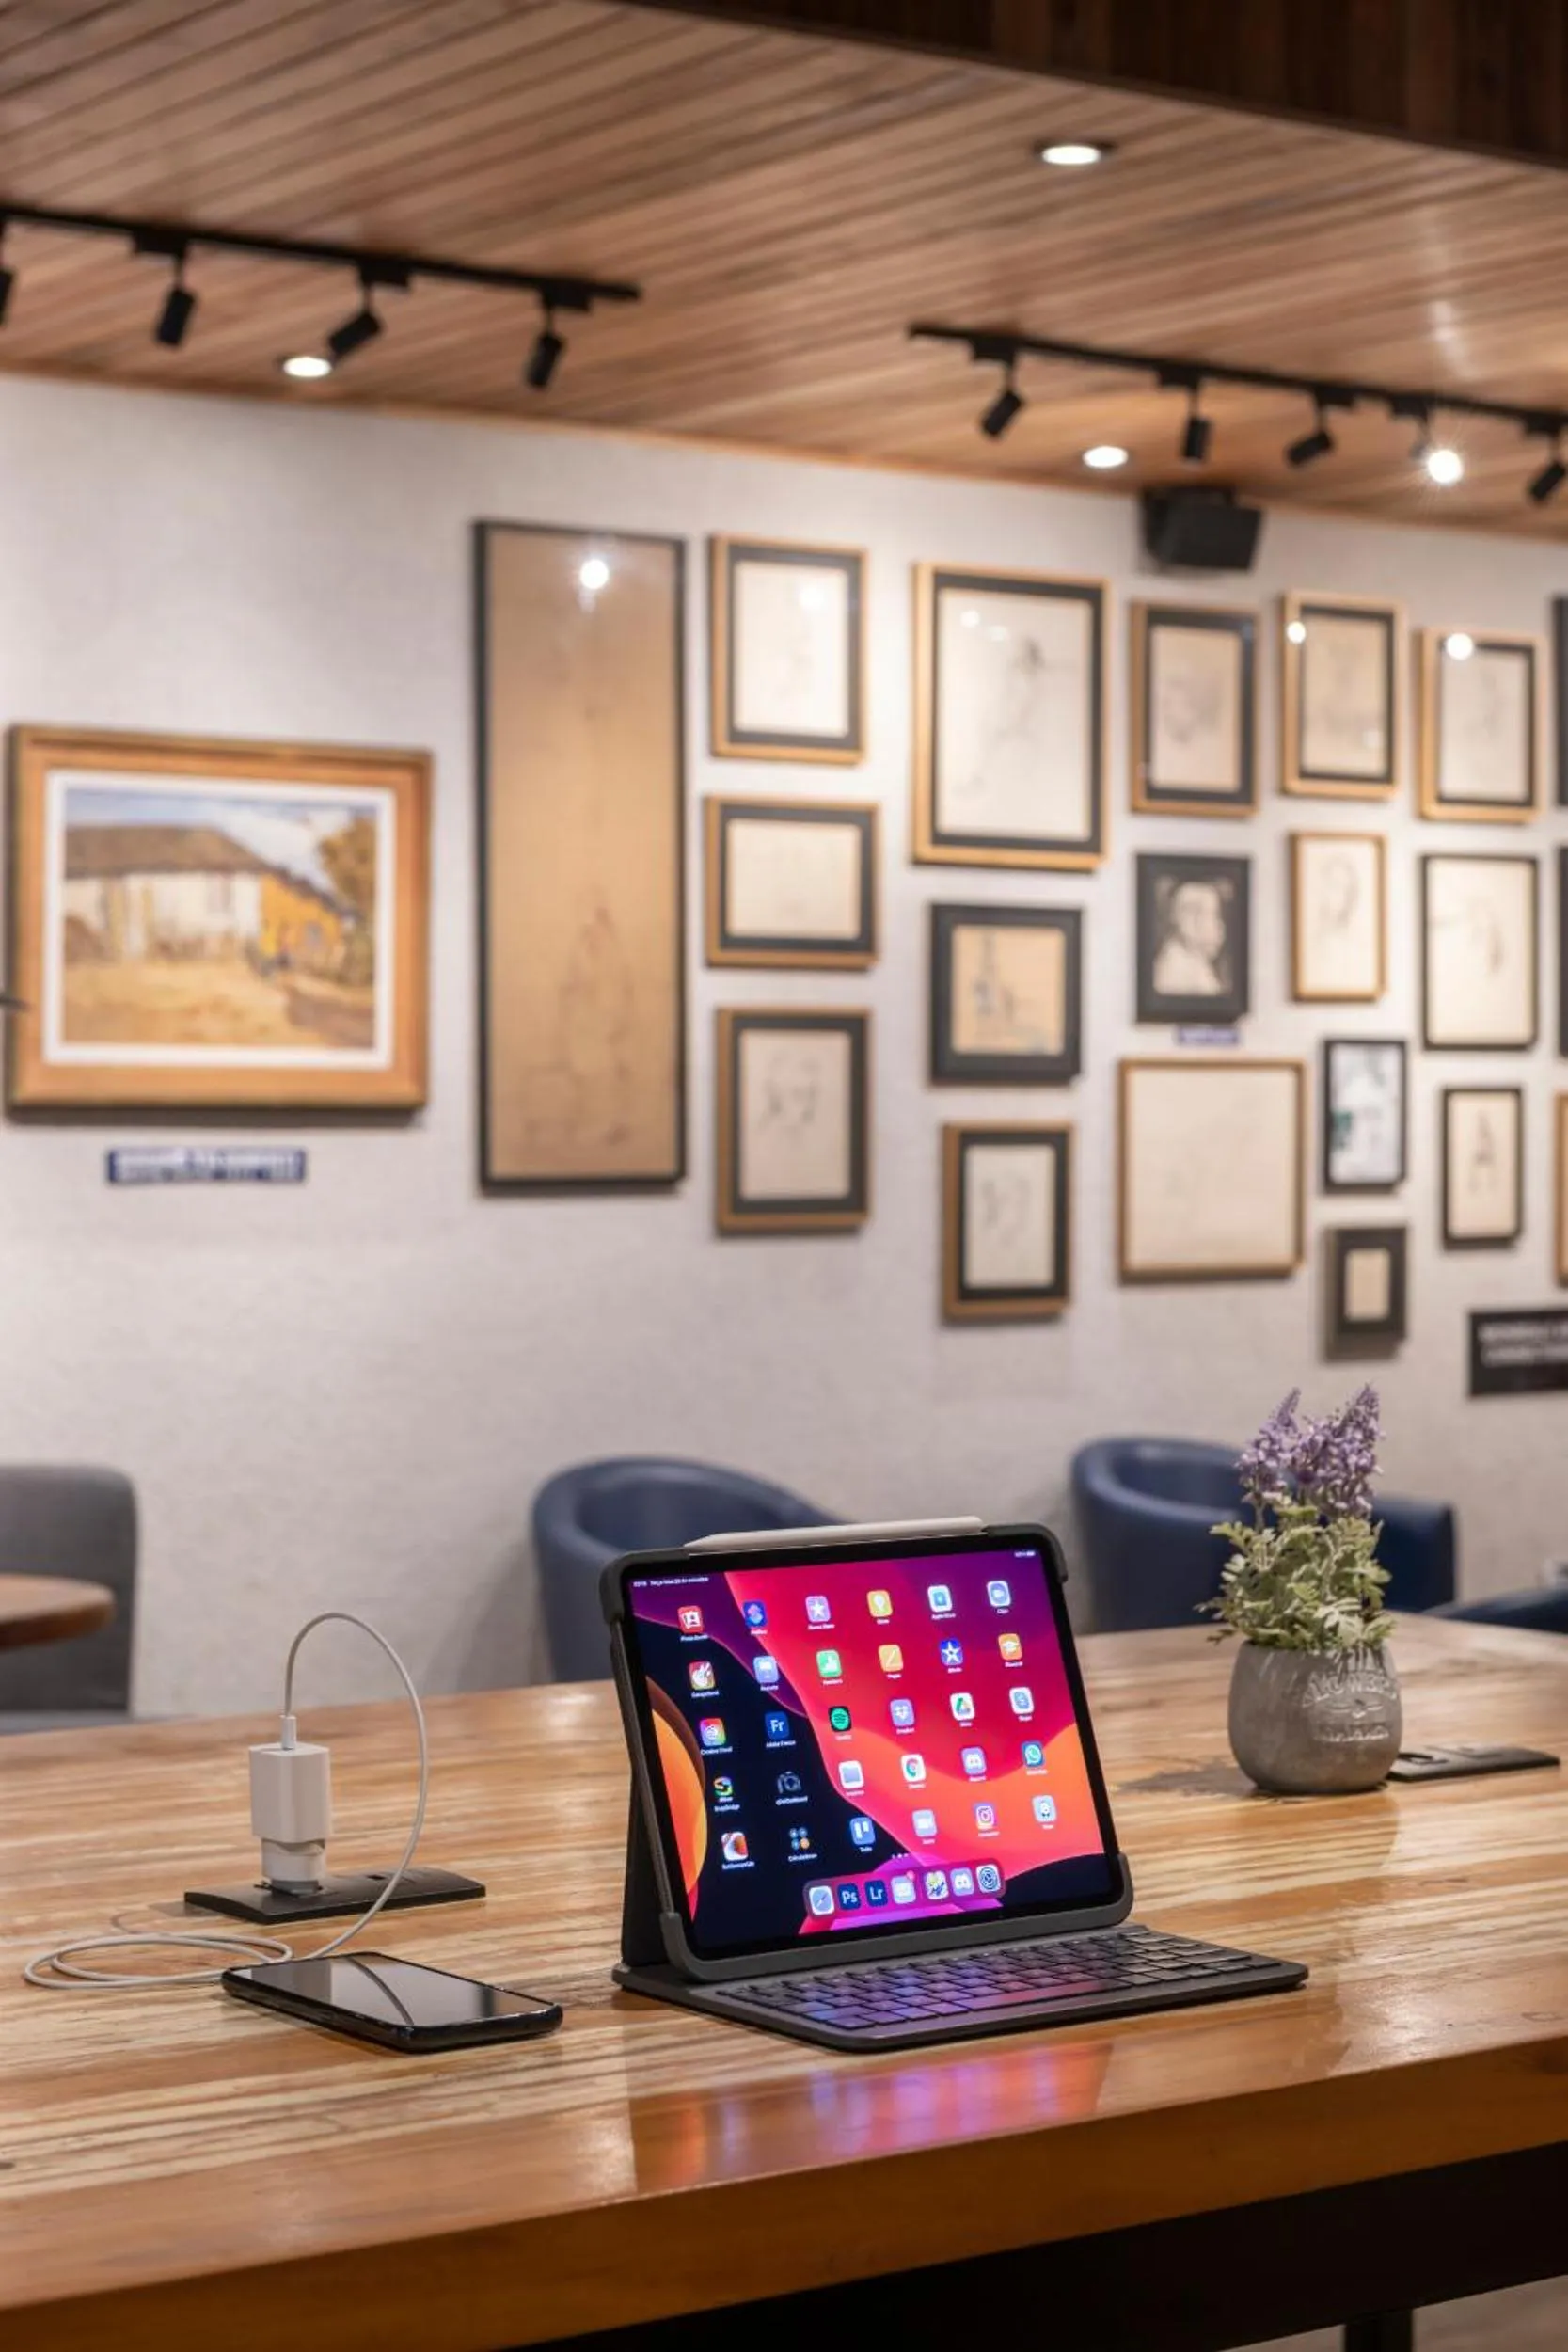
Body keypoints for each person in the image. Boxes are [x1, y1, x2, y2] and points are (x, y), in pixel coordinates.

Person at [1153, 878, 1227, 998]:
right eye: (1215, 915)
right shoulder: (1176, 967)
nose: (1220, 926)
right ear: (1190, 920)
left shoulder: (1197, 959)